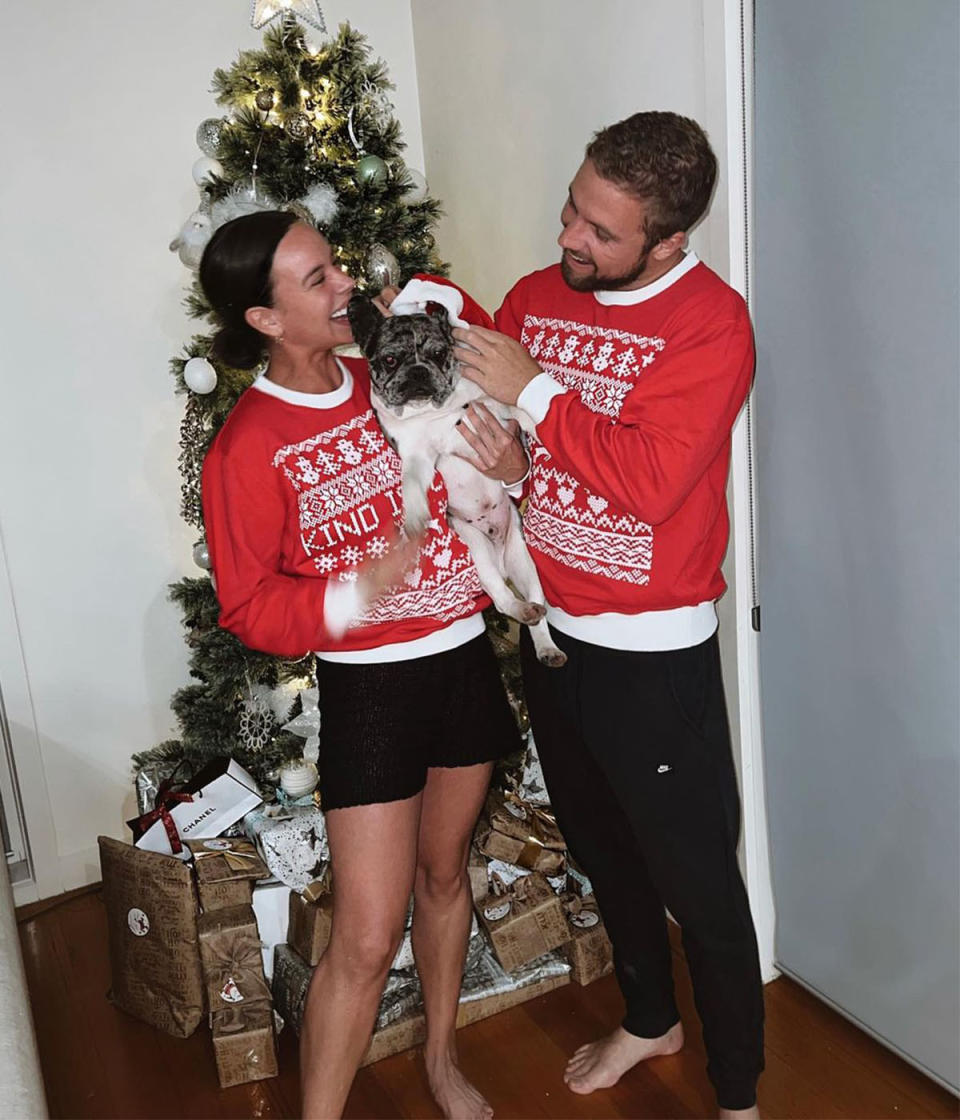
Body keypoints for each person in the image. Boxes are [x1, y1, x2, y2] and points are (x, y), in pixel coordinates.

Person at [450, 112, 765, 1119]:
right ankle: (648, 1015)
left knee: (701, 889)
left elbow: (654, 483)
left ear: (666, 239)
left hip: (652, 657)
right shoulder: (538, 300)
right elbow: (506, 436)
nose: (567, 237)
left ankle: (740, 1093)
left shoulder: (711, 323)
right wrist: (508, 451)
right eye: (572, 208)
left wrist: (537, 397)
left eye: (598, 228)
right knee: (601, 847)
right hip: (552, 636)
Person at [198, 211, 520, 1120]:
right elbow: (248, 605)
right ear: (264, 319)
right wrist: (353, 591)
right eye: (315, 279)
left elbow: (479, 353)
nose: (343, 284)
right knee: (369, 935)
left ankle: (441, 1059)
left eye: (335, 265)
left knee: (446, 875)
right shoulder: (247, 445)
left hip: (460, 655)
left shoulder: (390, 365)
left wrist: (510, 457)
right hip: (371, 683)